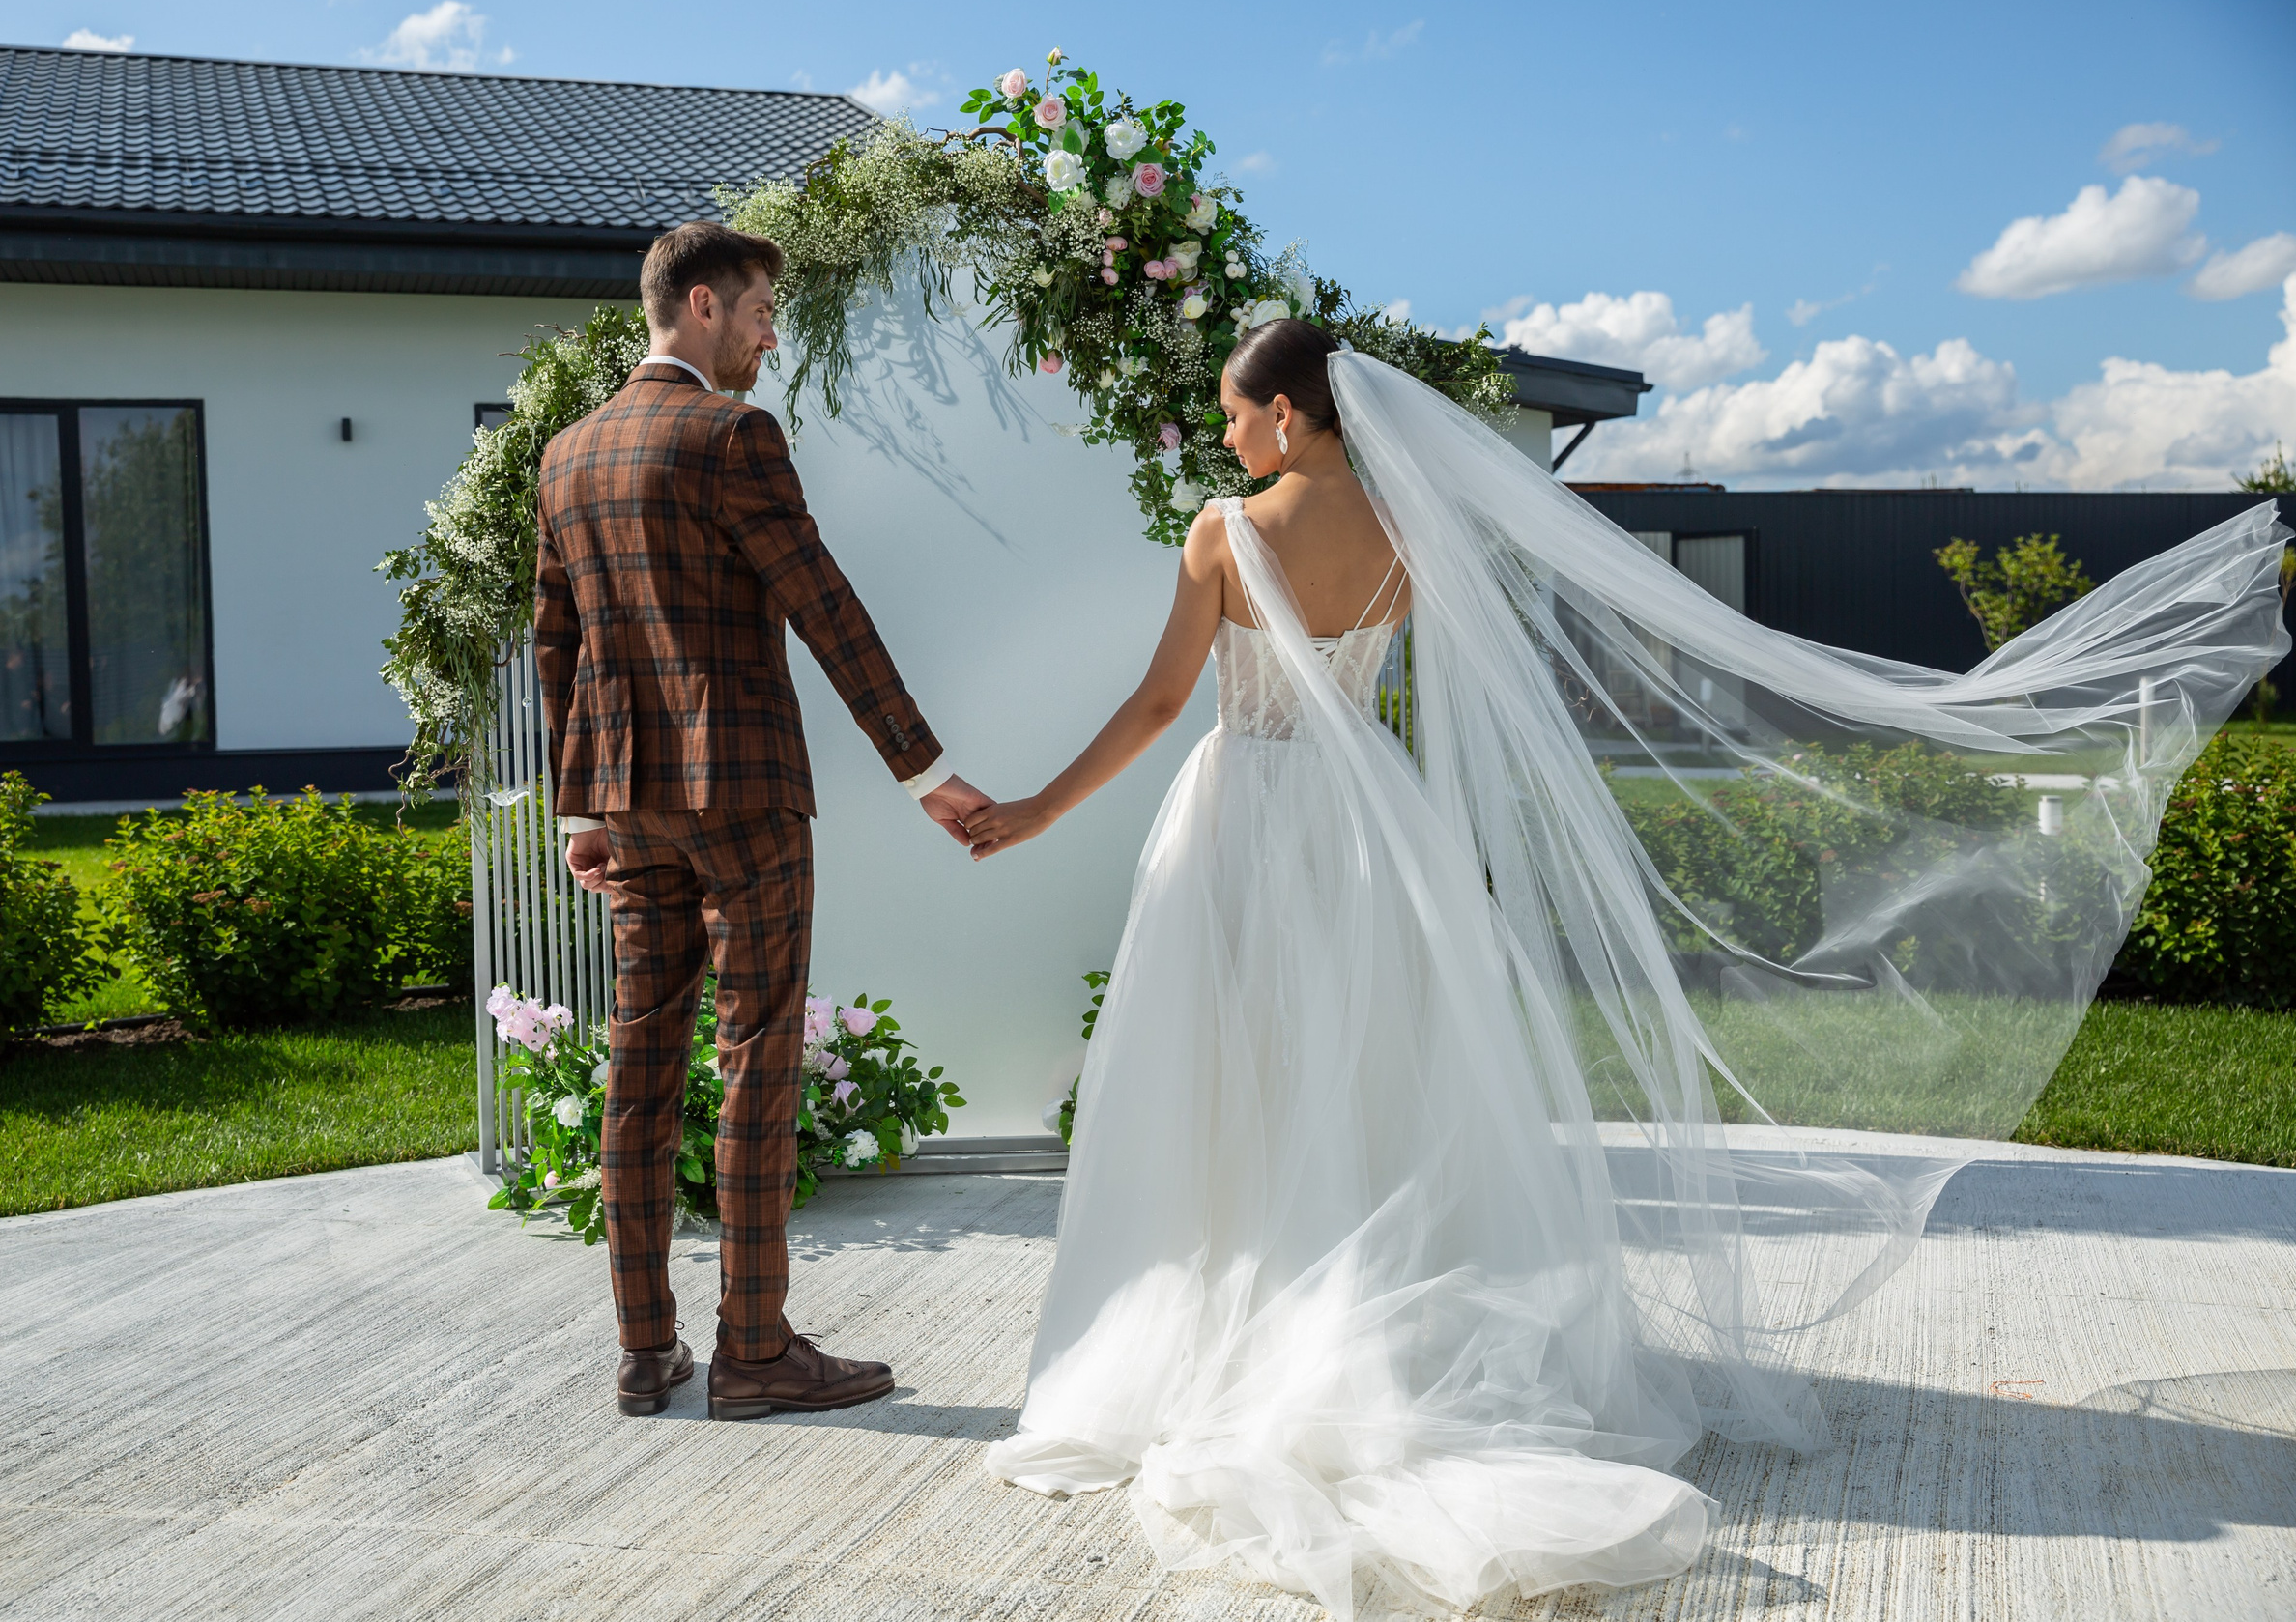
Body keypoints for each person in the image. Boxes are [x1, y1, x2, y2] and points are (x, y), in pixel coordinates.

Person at [965, 318, 2289, 1615]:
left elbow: (1157, 705)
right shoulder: (1410, 536)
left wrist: (1032, 808)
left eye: (1237, 408)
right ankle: (1353, 1324)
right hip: (1374, 826)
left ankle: (1234, 1331)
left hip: (1247, 816)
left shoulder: (1226, 528)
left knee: (1223, 1069)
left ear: (1290, 415)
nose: (1227, 428)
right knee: (1373, 1073)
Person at [536, 221, 991, 1423]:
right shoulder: (731, 436)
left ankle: (645, 1355)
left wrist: (579, 806)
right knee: (757, 1058)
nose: (768, 335)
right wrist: (923, 769)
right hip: (742, 795)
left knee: (641, 1068)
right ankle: (753, 1351)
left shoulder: (565, 455)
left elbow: (558, 646)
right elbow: (821, 602)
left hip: (629, 805)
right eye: (755, 313)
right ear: (697, 305)